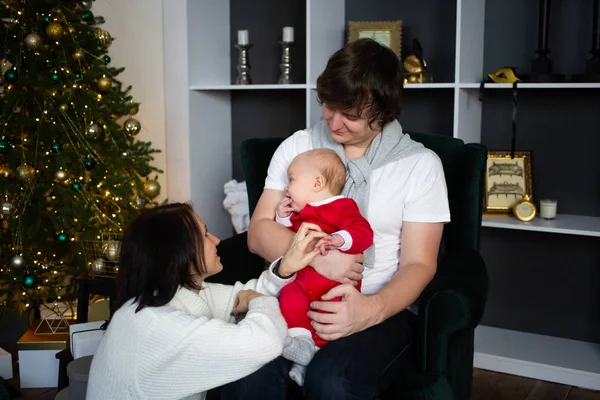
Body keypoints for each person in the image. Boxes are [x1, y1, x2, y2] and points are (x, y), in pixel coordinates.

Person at [222, 38, 450, 399]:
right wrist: (319, 256)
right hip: (294, 293)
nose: (334, 121)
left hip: (378, 305)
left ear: (383, 112)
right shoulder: (299, 149)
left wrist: (369, 310)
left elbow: (420, 264)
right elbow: (259, 232)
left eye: (351, 115)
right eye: (328, 105)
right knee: (247, 367)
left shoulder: (421, 166)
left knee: (332, 381)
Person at [86, 203, 328, 400]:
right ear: (178, 253)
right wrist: (257, 301)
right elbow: (265, 342)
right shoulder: (156, 327)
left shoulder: (179, 296)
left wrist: (285, 268)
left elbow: (247, 295)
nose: (216, 240)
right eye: (204, 234)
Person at [274, 148, 374, 386]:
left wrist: (340, 239)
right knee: (288, 297)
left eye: (292, 180)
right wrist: (282, 217)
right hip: (301, 283)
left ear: (317, 182)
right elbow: (286, 238)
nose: (287, 188)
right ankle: (302, 347)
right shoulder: (301, 214)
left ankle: (309, 360)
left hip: (333, 288)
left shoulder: (343, 206)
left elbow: (363, 232)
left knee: (327, 321)